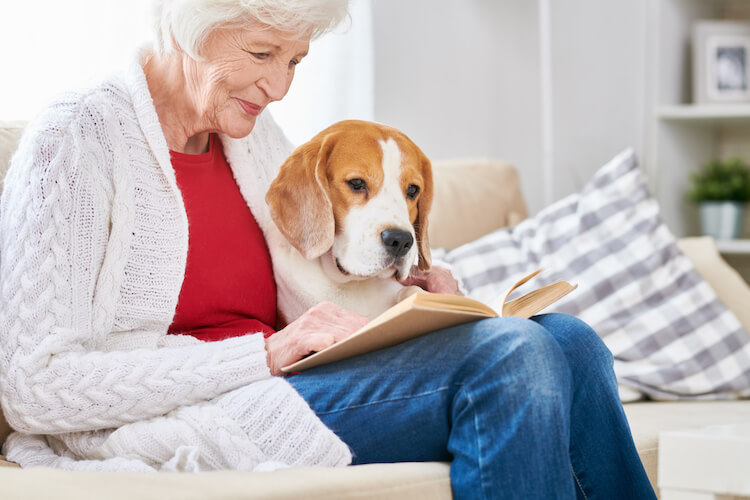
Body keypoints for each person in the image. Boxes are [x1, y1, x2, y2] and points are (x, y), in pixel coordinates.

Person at [0, 1, 656, 498]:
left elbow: (323, 270)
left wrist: (416, 295)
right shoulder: (77, 140)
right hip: (185, 413)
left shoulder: (250, 137)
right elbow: (34, 387)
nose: (279, 87)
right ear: (188, 25)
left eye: (294, 62)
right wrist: (258, 356)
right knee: (510, 360)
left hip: (280, 383)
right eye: (262, 55)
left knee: (569, 340)